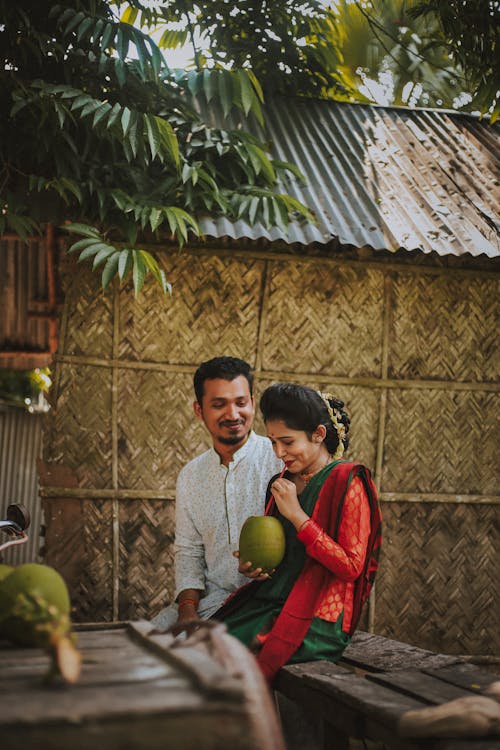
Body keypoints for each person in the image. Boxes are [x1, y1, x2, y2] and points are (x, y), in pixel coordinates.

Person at [213, 382, 382, 684]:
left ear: (318, 434)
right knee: (203, 642)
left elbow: (352, 566)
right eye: (273, 442)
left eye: (288, 442)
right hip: (269, 602)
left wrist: (296, 515)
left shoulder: (348, 481)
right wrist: (258, 568)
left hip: (318, 617)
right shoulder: (281, 483)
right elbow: (288, 560)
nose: (279, 453)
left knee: (224, 656)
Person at [151, 356, 283, 632]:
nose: (233, 414)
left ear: (252, 402)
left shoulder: (279, 461)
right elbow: (188, 550)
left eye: (241, 402)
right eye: (219, 404)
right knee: (145, 645)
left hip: (272, 603)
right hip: (209, 604)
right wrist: (187, 611)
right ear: (199, 410)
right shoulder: (191, 476)